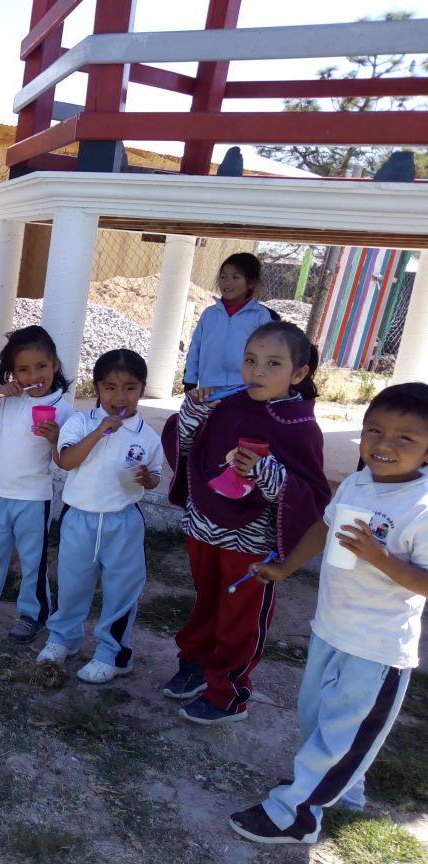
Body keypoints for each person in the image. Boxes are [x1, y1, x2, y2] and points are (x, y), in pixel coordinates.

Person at [229, 382, 428, 845]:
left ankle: (295, 813)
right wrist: (284, 568)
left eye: (405, 438)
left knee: (343, 729)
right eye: (375, 430)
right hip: (330, 629)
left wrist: (380, 558)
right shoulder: (358, 483)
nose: (384, 445)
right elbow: (323, 527)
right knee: (317, 721)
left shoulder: (421, 506)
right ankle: (347, 789)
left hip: (376, 648)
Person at [160, 321, 330, 724]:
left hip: (251, 543)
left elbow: (310, 495)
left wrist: (264, 473)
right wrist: (193, 410)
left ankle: (228, 695)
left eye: (273, 364)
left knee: (240, 616)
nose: (257, 372)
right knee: (207, 602)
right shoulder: (226, 407)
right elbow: (183, 447)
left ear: (299, 374)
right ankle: (197, 664)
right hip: (205, 528)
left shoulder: (300, 427)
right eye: (250, 360)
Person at [35, 350, 163, 680]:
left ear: (142, 388)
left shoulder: (146, 436)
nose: (120, 397)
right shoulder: (81, 422)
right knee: (72, 583)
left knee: (122, 590)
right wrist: (101, 431)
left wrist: (148, 479)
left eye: (130, 388)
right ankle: (64, 638)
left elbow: (156, 475)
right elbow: (66, 462)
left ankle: (113, 653)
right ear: (97, 388)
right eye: (110, 388)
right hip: (79, 517)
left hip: (122, 521)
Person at [0, 326, 74, 644]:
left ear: (55, 366)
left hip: (32, 498)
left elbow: (64, 456)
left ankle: (33, 613)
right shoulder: (10, 400)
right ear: (13, 373)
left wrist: (54, 438)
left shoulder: (62, 408)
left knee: (32, 558)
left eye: (41, 367)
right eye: (23, 369)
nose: (34, 375)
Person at [183, 253, 275, 392]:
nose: (227, 282)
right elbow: (195, 348)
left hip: (244, 387)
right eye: (223, 276)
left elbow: (268, 352)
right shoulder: (209, 314)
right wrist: (189, 381)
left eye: (235, 277)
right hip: (209, 386)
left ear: (251, 282)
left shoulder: (260, 316)